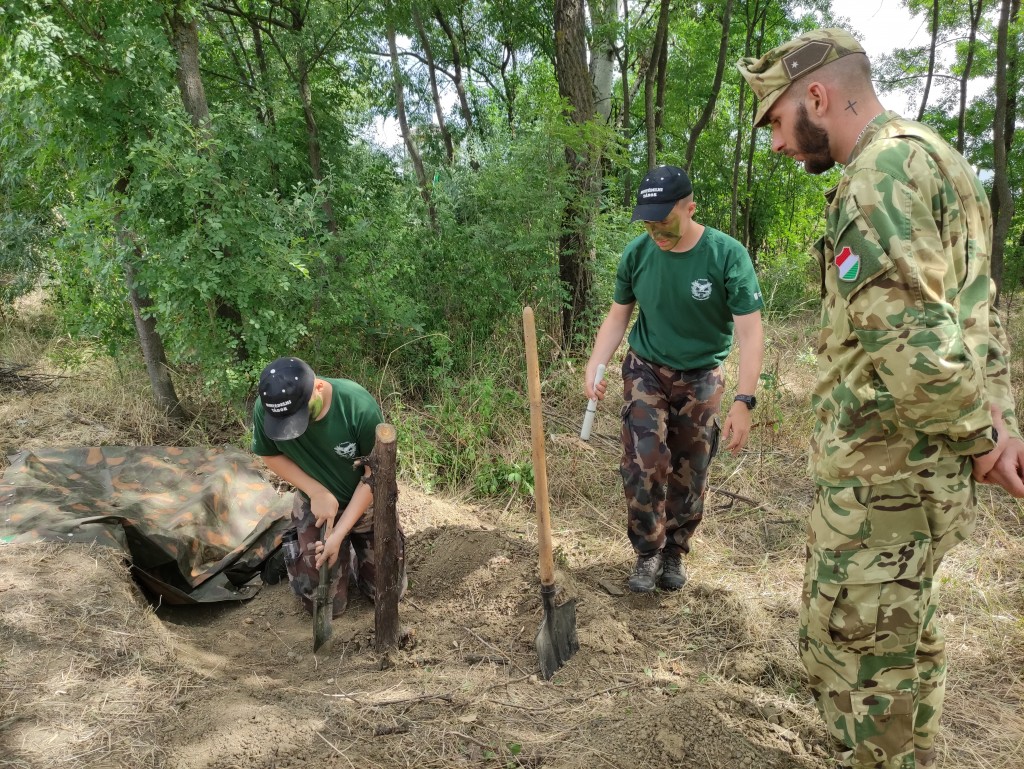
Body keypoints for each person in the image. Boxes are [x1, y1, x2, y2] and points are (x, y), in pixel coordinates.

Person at [737, 28, 1024, 769]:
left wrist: (985, 438)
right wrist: (1000, 423)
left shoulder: (875, 179)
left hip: (885, 482)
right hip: (921, 479)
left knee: (856, 666)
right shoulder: (939, 159)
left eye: (775, 120)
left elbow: (918, 341)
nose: (774, 142)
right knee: (904, 653)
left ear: (819, 96)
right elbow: (980, 313)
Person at [584, 165, 765, 593]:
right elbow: (617, 316)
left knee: (692, 465)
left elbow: (750, 331)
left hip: (702, 374)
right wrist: (595, 365)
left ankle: (673, 552)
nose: (656, 232)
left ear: (690, 208)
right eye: (648, 223)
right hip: (647, 367)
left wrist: (744, 400)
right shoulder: (637, 254)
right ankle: (647, 551)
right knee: (644, 459)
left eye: (664, 221)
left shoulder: (726, 255)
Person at [251, 356, 406, 618]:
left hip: (365, 500)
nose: (294, 429)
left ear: (319, 387)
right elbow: (269, 454)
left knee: (387, 592)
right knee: (324, 607)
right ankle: (324, 551)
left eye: (302, 414)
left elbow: (376, 475)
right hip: (317, 504)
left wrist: (338, 534)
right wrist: (316, 491)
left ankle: (352, 554)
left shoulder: (356, 405)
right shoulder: (271, 408)